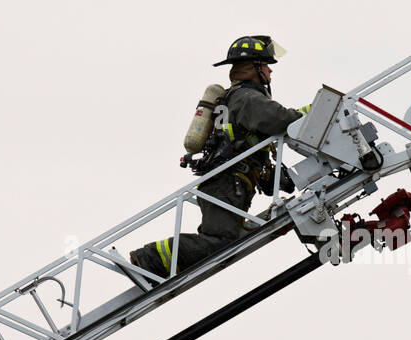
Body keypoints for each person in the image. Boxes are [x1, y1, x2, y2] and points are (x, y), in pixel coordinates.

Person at [129, 35, 306, 278]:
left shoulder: (237, 96)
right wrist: (314, 114)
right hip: (226, 183)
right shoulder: (247, 98)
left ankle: (154, 261)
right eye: (267, 66)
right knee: (221, 243)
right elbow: (281, 120)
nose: (270, 73)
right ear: (254, 68)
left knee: (225, 241)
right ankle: (148, 259)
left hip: (227, 183)